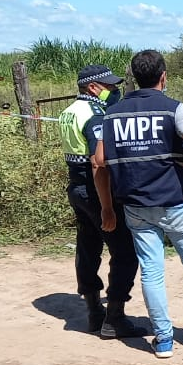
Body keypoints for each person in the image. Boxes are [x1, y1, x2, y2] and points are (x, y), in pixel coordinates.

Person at [92, 50, 183, 359]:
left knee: (152, 272)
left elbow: (99, 162)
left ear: (133, 77)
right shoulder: (172, 108)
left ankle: (164, 341)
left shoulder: (112, 114)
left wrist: (107, 207)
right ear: (163, 76)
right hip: (176, 202)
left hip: (136, 206)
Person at [58, 64, 146, 339]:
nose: (114, 90)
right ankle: (115, 318)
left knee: (88, 247)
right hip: (96, 190)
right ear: (93, 88)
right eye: (109, 86)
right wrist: (107, 207)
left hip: (76, 187)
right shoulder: (96, 115)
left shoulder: (68, 112)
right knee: (125, 252)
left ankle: (94, 312)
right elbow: (99, 165)